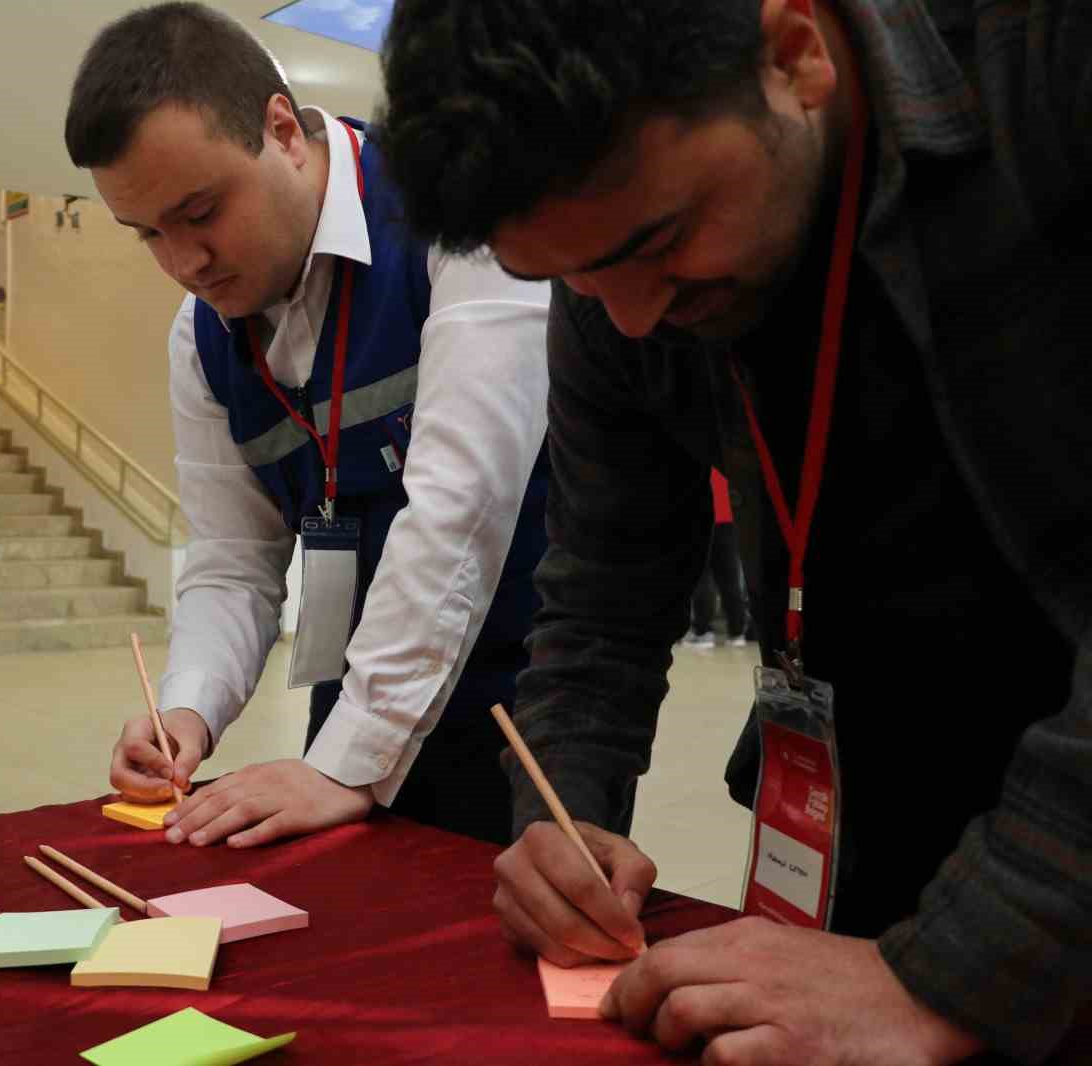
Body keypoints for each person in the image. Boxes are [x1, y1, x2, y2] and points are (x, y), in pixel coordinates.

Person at [377, 1, 1089, 1062]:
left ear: (792, 52)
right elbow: (603, 584)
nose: (623, 318)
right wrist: (558, 817)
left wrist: (953, 975)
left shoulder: (1047, 71)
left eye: (658, 244)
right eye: (562, 278)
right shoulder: (614, 275)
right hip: (879, 829)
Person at [64, 3, 552, 848]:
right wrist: (188, 709)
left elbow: (458, 508)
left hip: (524, 713)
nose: (184, 263)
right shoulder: (201, 337)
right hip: (356, 698)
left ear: (283, 130)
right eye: (146, 233)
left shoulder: (454, 218)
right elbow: (231, 560)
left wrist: (347, 762)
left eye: (201, 211)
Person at [685, 470, 747, 648]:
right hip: (727, 519)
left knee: (702, 575)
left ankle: (702, 631)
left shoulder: (699, 460)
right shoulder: (724, 462)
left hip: (703, 517)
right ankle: (737, 632)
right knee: (729, 577)